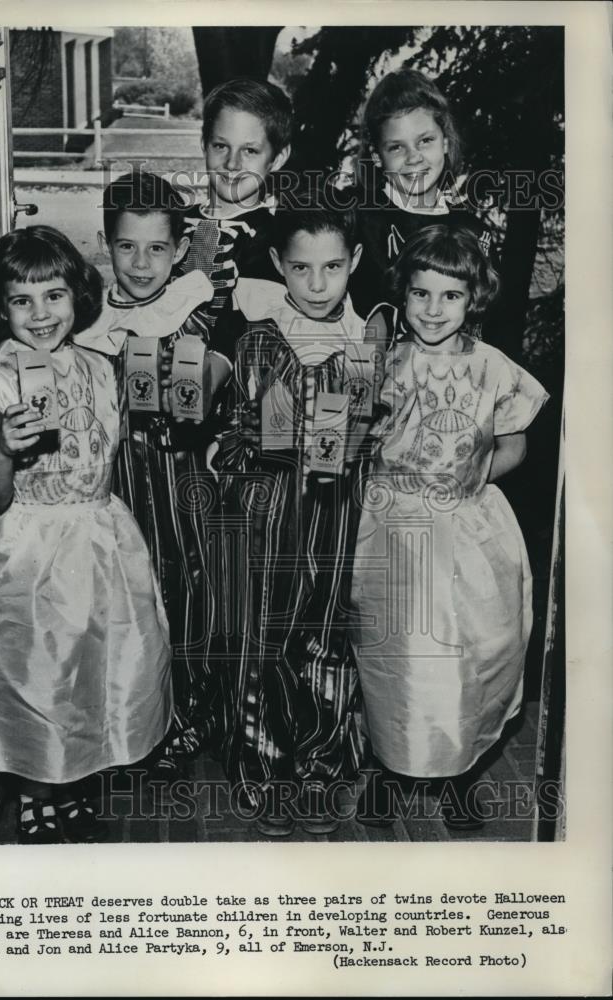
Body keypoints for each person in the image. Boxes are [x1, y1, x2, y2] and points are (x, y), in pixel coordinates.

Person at [0, 225, 172, 844]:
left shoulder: (99, 367)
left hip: (101, 533)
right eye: (21, 300)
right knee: (41, 672)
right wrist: (4, 448)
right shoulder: (0, 381)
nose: (39, 314)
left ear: (77, 298)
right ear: (0, 308)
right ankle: (37, 788)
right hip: (35, 548)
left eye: (53, 296)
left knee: (106, 659)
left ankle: (83, 773)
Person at [349, 224, 548, 831]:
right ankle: (389, 769)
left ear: (474, 298)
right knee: (397, 657)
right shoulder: (381, 359)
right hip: (390, 522)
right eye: (420, 294)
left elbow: (516, 444)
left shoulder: (493, 368)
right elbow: (353, 437)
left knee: (476, 652)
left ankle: (459, 771)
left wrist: (480, 468)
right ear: (403, 295)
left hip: (465, 526)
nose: (433, 310)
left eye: (450, 296)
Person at [212, 200, 376, 836]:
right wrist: (246, 437)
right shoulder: (256, 338)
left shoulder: (364, 345)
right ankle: (261, 765)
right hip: (265, 512)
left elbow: (365, 430)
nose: (316, 284)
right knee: (263, 636)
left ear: (354, 264)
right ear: (279, 264)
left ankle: (322, 767)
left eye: (332, 267)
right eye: (301, 268)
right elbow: (223, 428)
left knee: (326, 634)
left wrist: (350, 440)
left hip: (333, 514)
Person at [76, 171, 229, 780]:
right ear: (105, 244)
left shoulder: (196, 302)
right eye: (127, 247)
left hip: (179, 469)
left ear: (179, 248)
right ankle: (130, 718)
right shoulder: (88, 318)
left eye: (158, 248)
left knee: (186, 585)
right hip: (115, 482)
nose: (141, 263)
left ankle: (190, 712)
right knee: (126, 595)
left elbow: (224, 370)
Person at [349, 67, 497, 327]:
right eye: (396, 147)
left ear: (446, 142)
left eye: (425, 140)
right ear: (376, 156)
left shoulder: (473, 233)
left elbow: (491, 325)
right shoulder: (357, 220)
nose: (414, 157)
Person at [173, 77, 293, 331]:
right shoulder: (173, 222)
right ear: (204, 145)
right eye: (221, 146)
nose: (232, 164)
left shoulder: (276, 239)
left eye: (249, 151)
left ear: (278, 158)